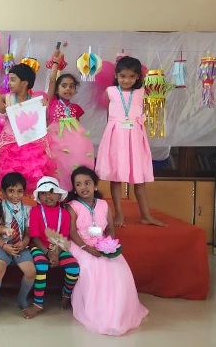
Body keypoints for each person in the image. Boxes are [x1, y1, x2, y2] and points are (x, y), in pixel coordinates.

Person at [61, 166, 148, 335]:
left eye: (87, 183)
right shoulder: (72, 206)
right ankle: (98, 311)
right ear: (74, 188)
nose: (83, 187)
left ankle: (117, 310)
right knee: (91, 266)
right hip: (80, 245)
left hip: (101, 244)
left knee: (118, 267)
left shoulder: (103, 204)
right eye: (78, 184)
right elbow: (72, 232)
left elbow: (110, 230)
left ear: (95, 185)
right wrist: (87, 248)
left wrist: (108, 245)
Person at [95, 56, 165, 227]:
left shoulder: (141, 92)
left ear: (138, 77)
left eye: (132, 76)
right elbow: (109, 118)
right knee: (116, 177)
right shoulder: (110, 91)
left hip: (135, 138)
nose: (126, 80)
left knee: (139, 178)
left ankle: (145, 215)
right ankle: (119, 214)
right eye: (122, 76)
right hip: (116, 138)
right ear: (116, 75)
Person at [0, 172, 36, 325]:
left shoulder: (28, 209)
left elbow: (28, 232)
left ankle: (21, 298)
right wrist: (4, 243)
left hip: (20, 246)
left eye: (20, 191)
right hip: (2, 245)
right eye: (11, 191)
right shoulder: (0, 206)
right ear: (3, 192)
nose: (15, 195)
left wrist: (24, 242)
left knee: (31, 271)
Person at [22, 176, 80, 319]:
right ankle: (38, 303)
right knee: (41, 266)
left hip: (59, 247)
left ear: (59, 195)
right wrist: (48, 253)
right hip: (39, 247)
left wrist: (56, 253)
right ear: (39, 197)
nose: (48, 196)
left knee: (74, 269)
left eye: (52, 192)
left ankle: (66, 295)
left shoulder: (65, 214)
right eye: (43, 193)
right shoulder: (35, 211)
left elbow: (64, 237)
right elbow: (34, 237)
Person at [0, 63, 55, 191]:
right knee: (9, 179)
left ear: (25, 83)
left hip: (32, 144)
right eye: (9, 79)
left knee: (32, 176)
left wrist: (44, 107)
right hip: (10, 144)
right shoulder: (8, 98)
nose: (9, 83)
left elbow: (45, 120)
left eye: (13, 79)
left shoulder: (37, 100)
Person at [45, 62, 95, 190]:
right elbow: (52, 80)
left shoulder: (76, 108)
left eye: (71, 86)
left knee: (72, 163)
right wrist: (55, 63)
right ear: (57, 89)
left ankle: (72, 189)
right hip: (56, 141)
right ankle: (57, 190)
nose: (68, 89)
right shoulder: (52, 102)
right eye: (64, 86)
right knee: (58, 165)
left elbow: (78, 130)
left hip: (72, 144)